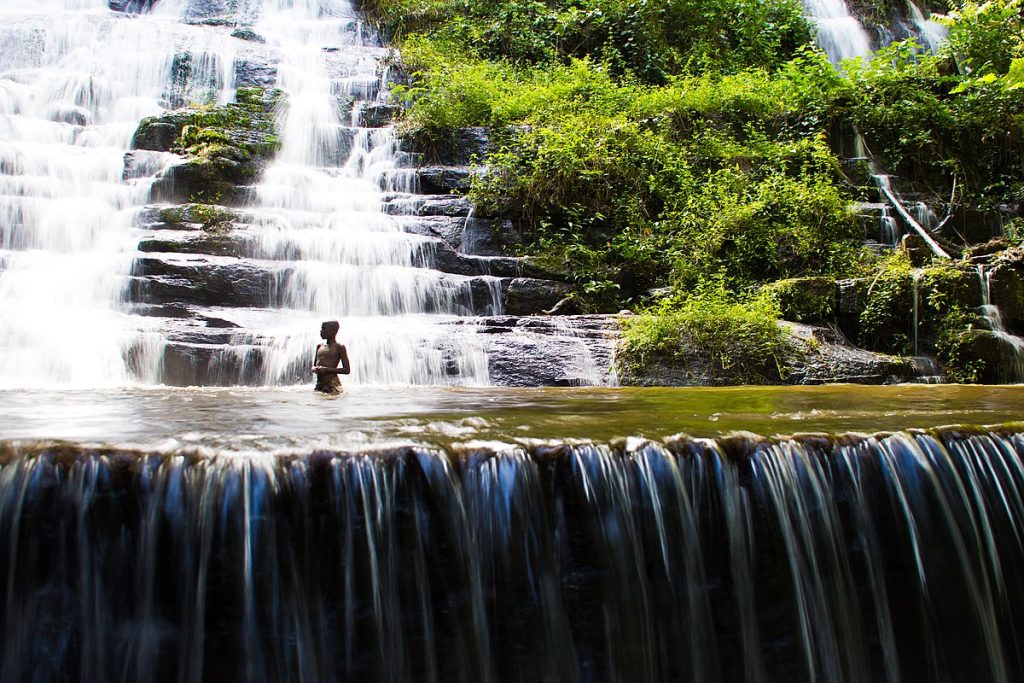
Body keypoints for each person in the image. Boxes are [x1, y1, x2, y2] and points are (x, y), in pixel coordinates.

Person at [311, 320, 350, 394]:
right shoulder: (319, 346)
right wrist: (315, 369)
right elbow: (313, 366)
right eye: (321, 328)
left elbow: (347, 370)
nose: (321, 331)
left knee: (331, 403)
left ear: (333, 331)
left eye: (324, 328)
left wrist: (326, 369)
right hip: (319, 384)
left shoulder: (339, 347)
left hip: (332, 385)